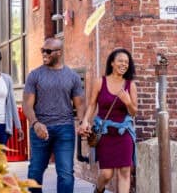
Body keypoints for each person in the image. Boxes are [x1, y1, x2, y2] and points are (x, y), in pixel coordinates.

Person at [23, 38, 85, 193]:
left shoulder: (72, 76)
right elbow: (27, 105)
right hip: (40, 129)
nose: (44, 53)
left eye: (48, 51)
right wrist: (35, 123)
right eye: (42, 50)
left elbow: (80, 104)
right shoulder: (34, 75)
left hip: (64, 130)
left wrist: (83, 122)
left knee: (65, 174)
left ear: (59, 52)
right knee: (35, 172)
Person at [78, 48, 137, 193]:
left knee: (125, 171)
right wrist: (85, 120)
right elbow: (92, 105)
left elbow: (133, 112)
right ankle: (98, 189)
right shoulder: (100, 82)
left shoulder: (130, 85)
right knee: (106, 174)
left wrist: (128, 102)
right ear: (112, 63)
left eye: (127, 62)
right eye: (120, 61)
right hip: (104, 132)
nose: (124, 64)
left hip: (124, 133)